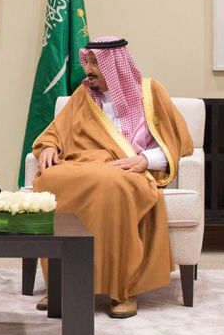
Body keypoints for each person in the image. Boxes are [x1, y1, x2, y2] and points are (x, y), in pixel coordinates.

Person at [32, 36, 193, 318]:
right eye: (88, 61)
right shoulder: (83, 96)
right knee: (50, 181)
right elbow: (56, 131)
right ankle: (61, 284)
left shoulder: (151, 93)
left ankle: (123, 289)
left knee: (110, 185)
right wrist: (48, 147)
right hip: (84, 166)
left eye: (96, 63)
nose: (89, 69)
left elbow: (178, 141)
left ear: (116, 64)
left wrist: (145, 159)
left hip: (128, 172)